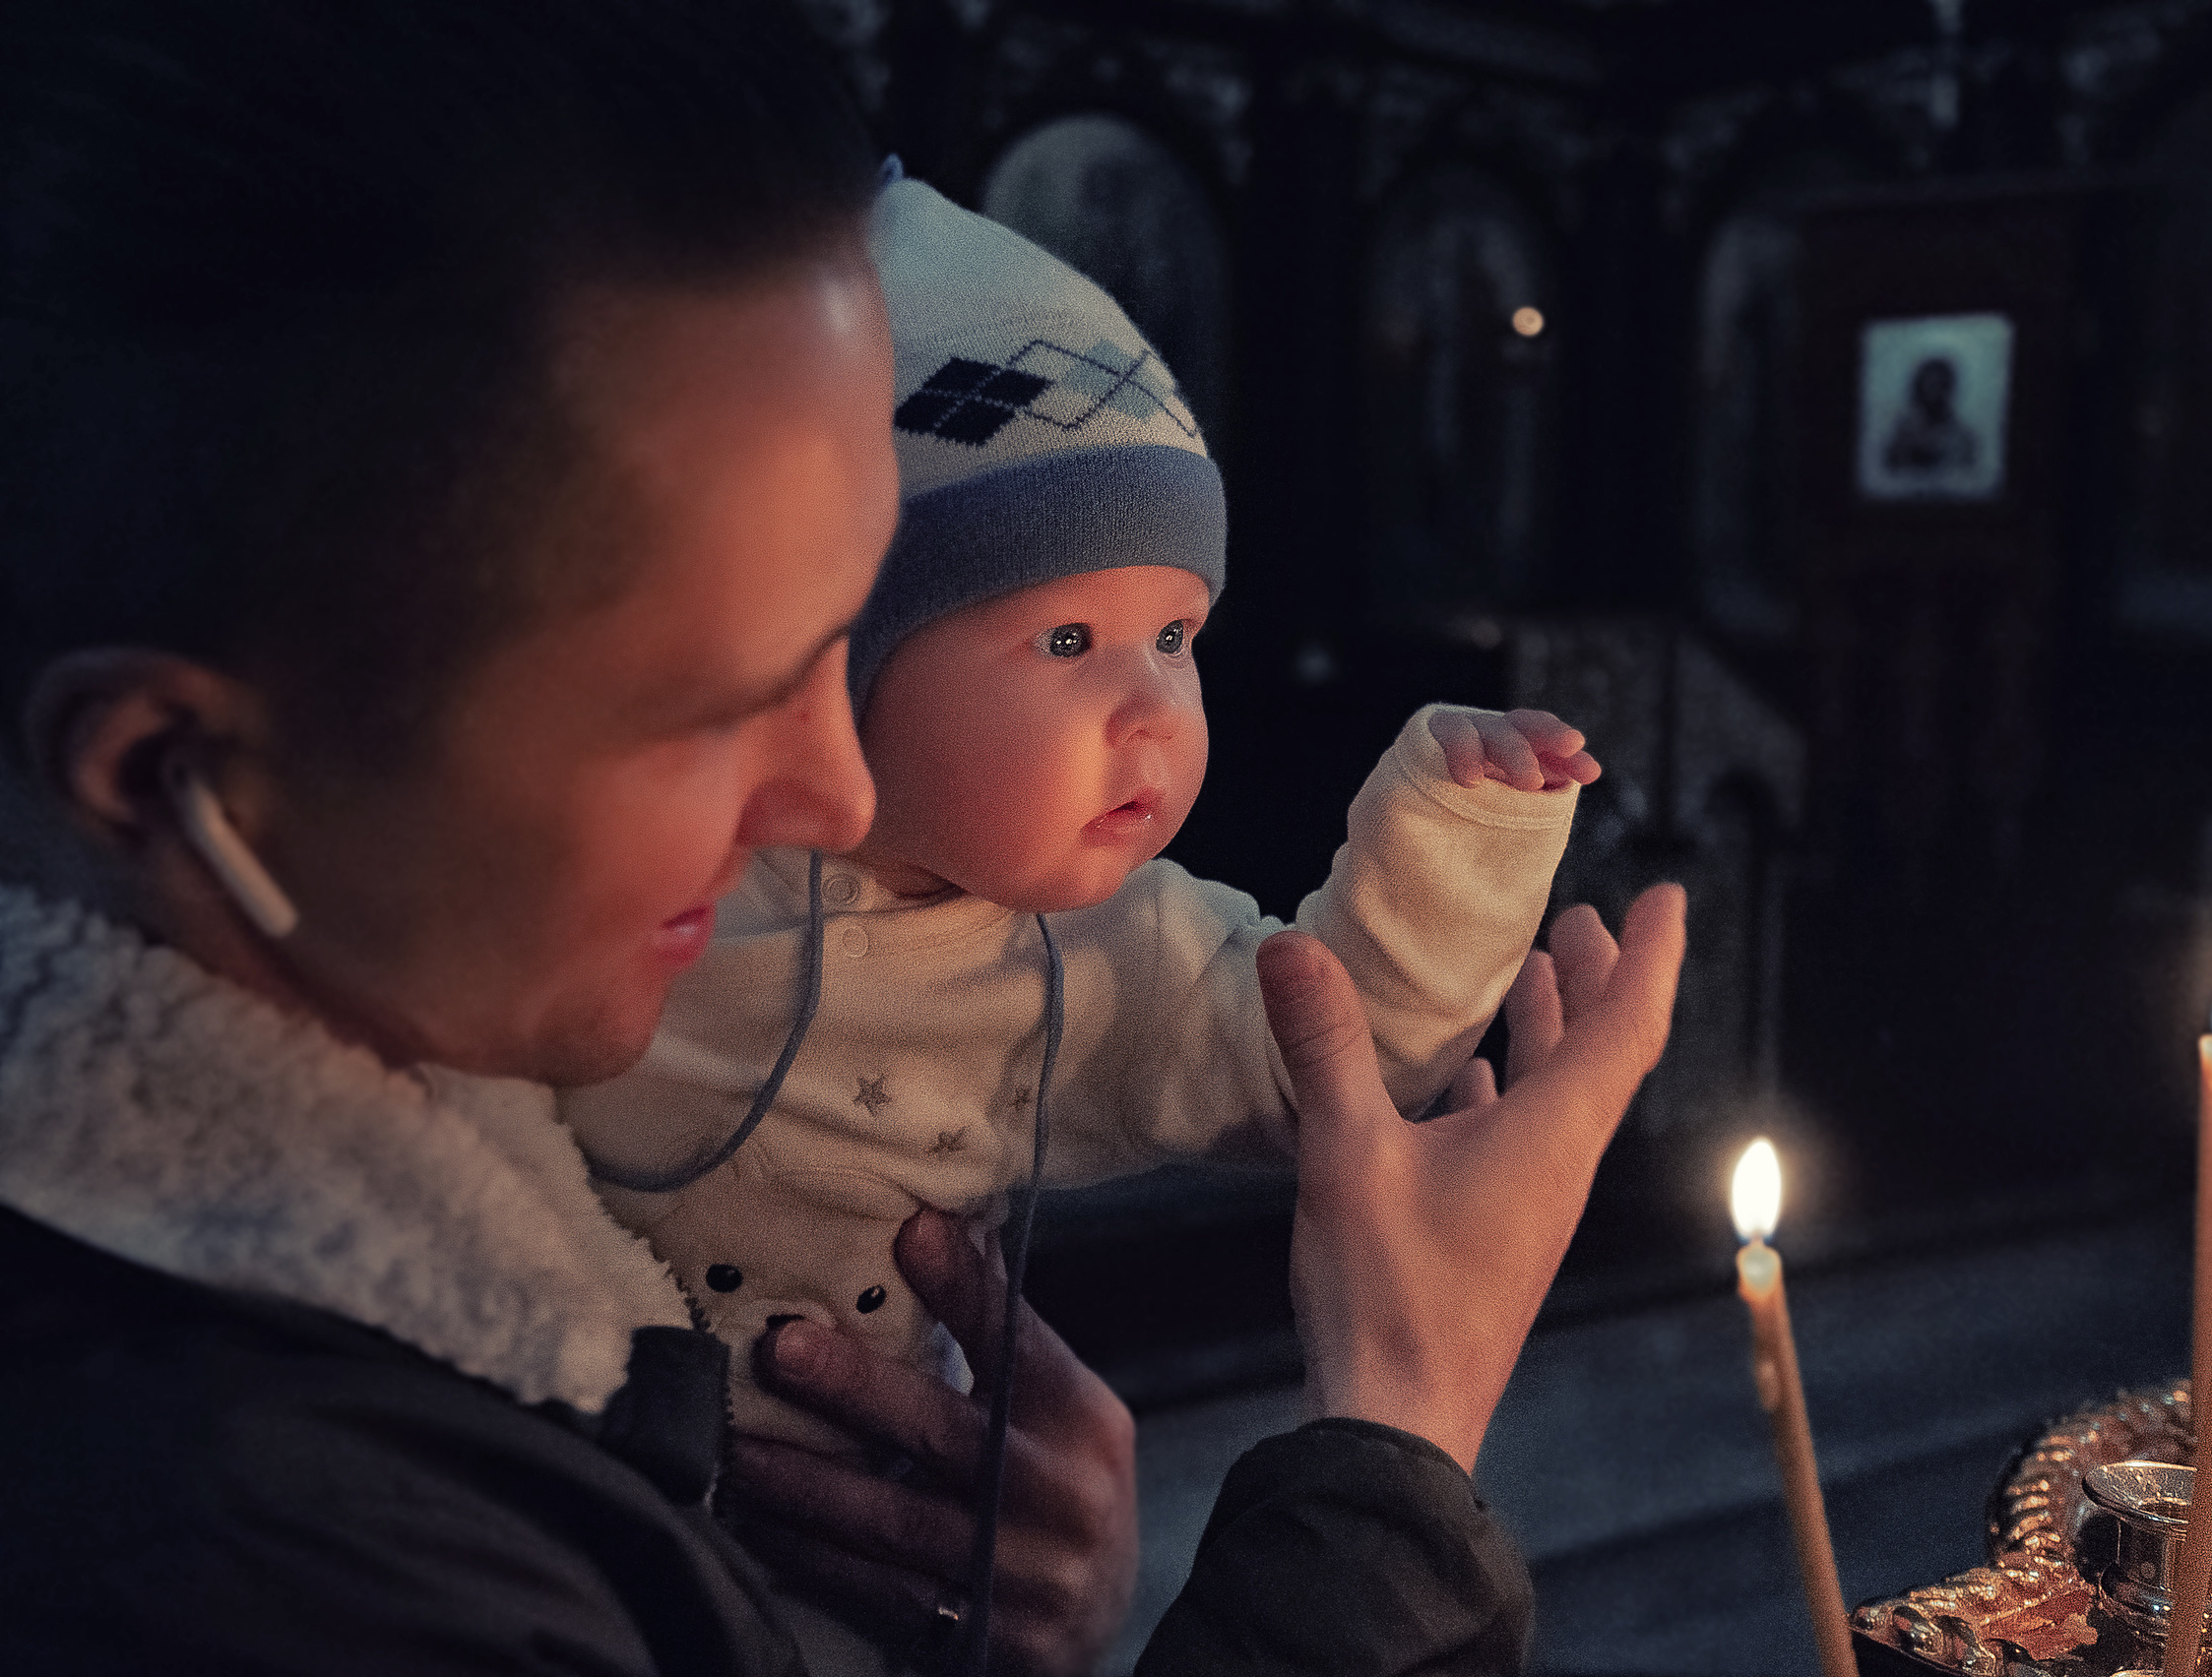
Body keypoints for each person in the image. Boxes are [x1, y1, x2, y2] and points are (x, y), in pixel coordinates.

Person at [0, 3, 1689, 1674]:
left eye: (840, 647)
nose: (832, 793)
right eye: (707, 700)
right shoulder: (250, 1555)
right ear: (169, 775)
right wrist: (1397, 1432)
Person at [558, 171, 1600, 1461]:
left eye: (1176, 635)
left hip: (866, 1555)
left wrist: (1459, 830)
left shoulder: (1093, 953)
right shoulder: (648, 874)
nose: (1153, 705)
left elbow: (1324, 1063)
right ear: (836, 649)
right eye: (1068, 637)